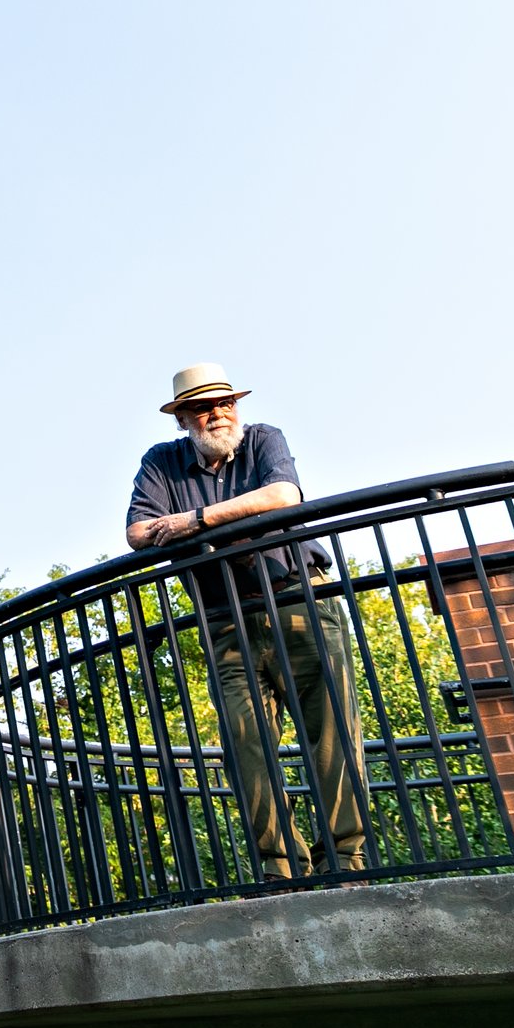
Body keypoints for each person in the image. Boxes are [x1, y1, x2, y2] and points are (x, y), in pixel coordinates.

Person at [125, 364, 369, 881]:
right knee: (245, 742)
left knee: (332, 736)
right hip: (225, 620)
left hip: (298, 600)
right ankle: (281, 871)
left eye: (225, 404)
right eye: (203, 408)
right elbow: (138, 532)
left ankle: (344, 861)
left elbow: (283, 496)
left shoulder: (264, 439)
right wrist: (227, 522)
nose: (217, 415)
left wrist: (197, 521)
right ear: (182, 419)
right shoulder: (162, 463)